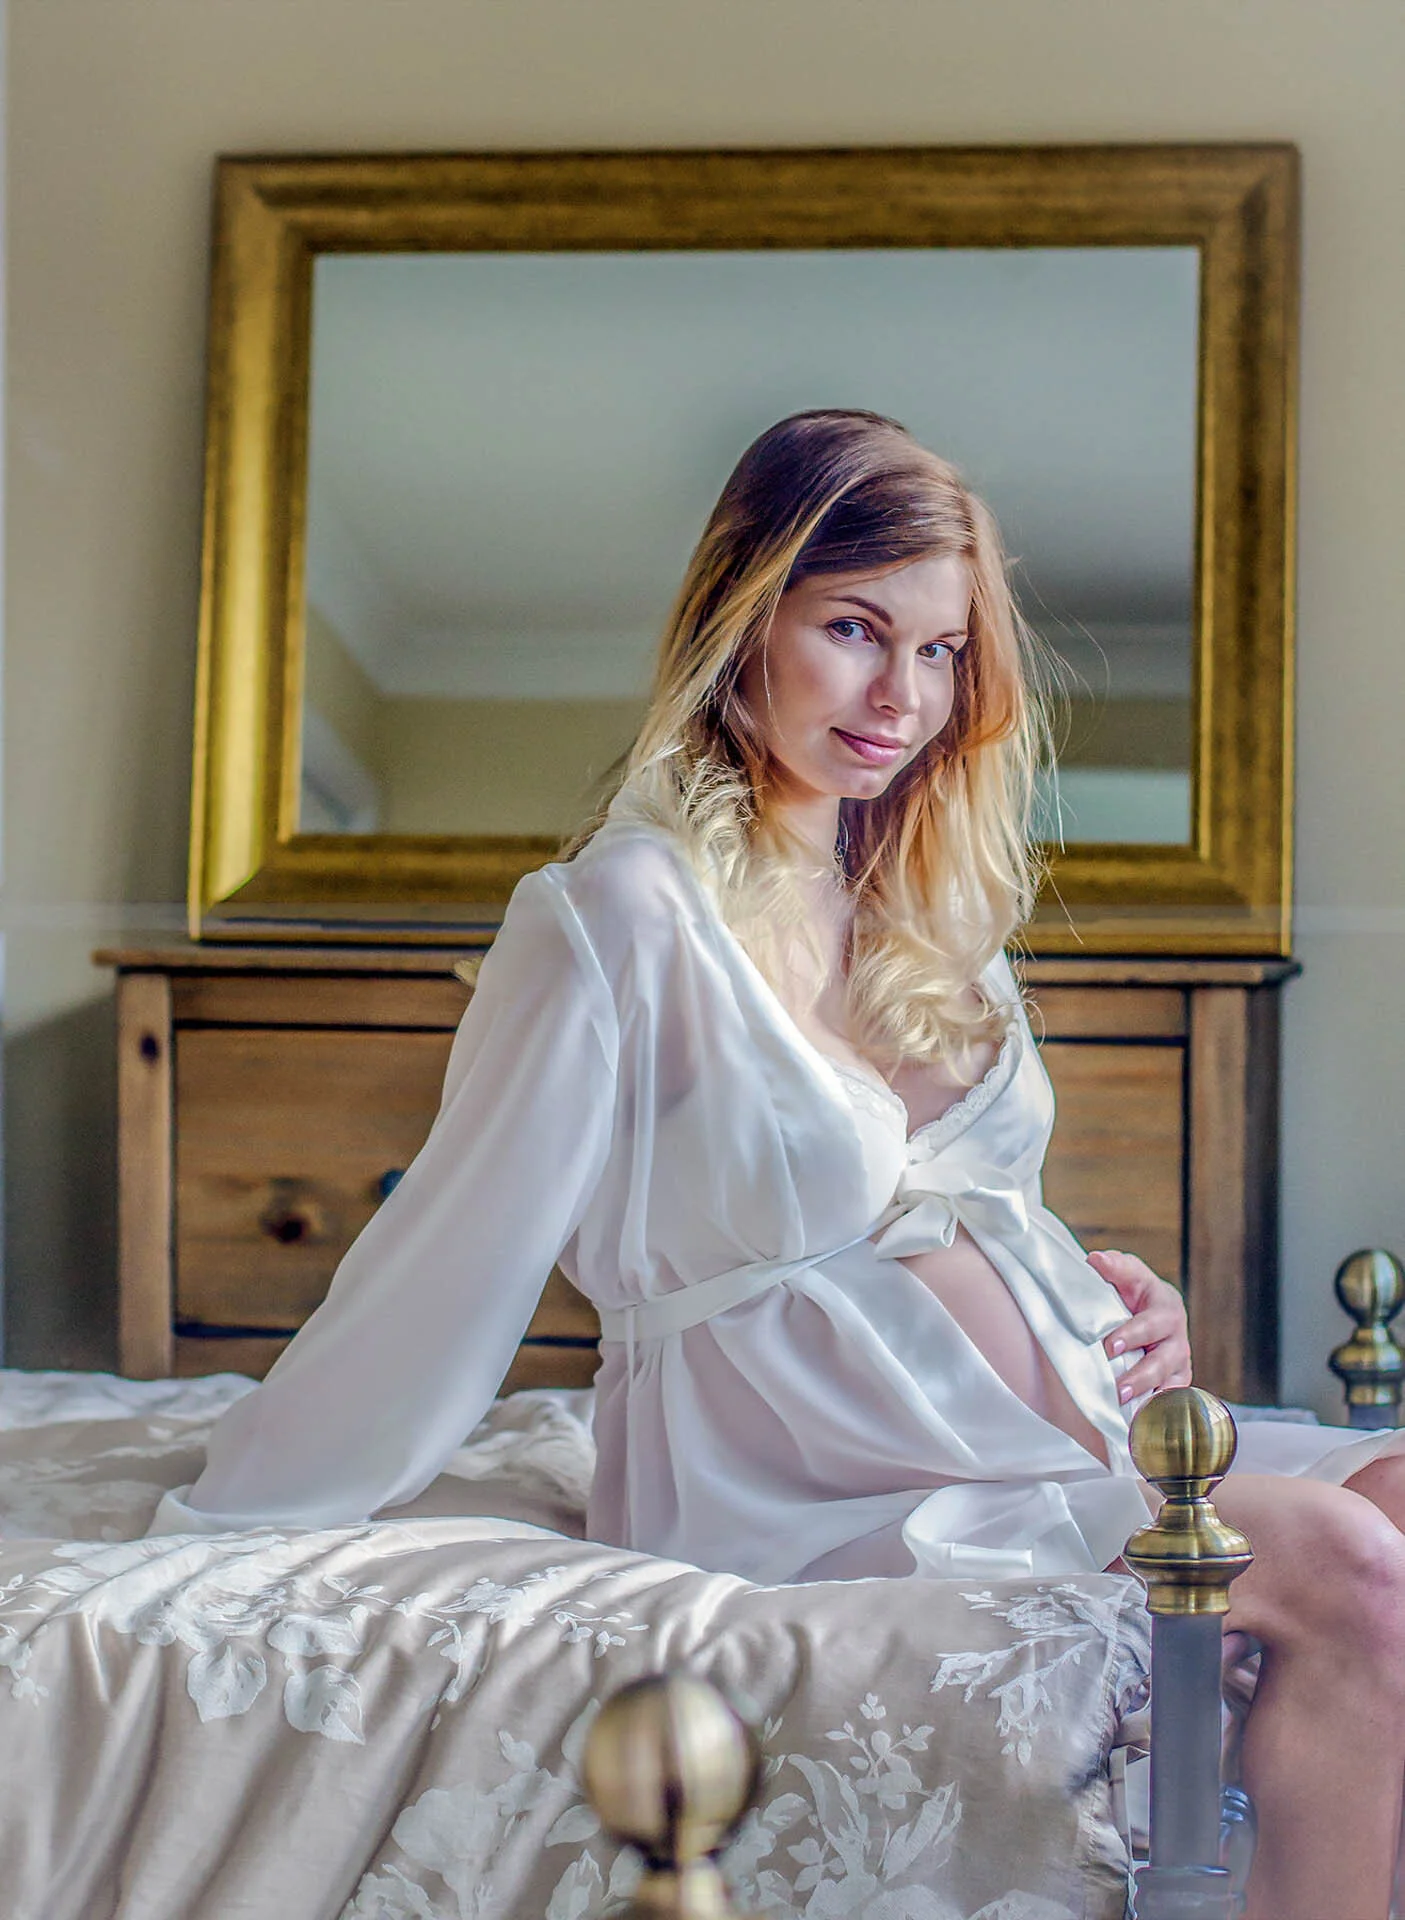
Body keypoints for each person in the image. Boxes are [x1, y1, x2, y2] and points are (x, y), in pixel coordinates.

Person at [150, 410, 1405, 1919]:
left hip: (1047, 1429)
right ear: (746, 622)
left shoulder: (926, 907)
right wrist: (227, 1529)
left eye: (942, 652)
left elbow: (968, 1210)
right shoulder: (617, 917)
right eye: (858, 631)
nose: (904, 696)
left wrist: (1109, 1299)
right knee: (1345, 1562)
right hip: (808, 1482)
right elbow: (444, 1268)